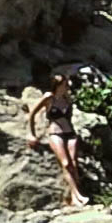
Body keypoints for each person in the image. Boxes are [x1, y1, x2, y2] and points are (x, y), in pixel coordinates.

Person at [27, 74, 90, 208]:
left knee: (73, 163)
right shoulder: (49, 97)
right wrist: (32, 134)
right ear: (58, 85)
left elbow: (69, 117)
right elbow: (32, 114)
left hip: (70, 132)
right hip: (55, 132)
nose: (67, 86)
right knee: (66, 163)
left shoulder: (67, 99)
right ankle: (76, 195)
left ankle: (75, 197)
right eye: (65, 84)